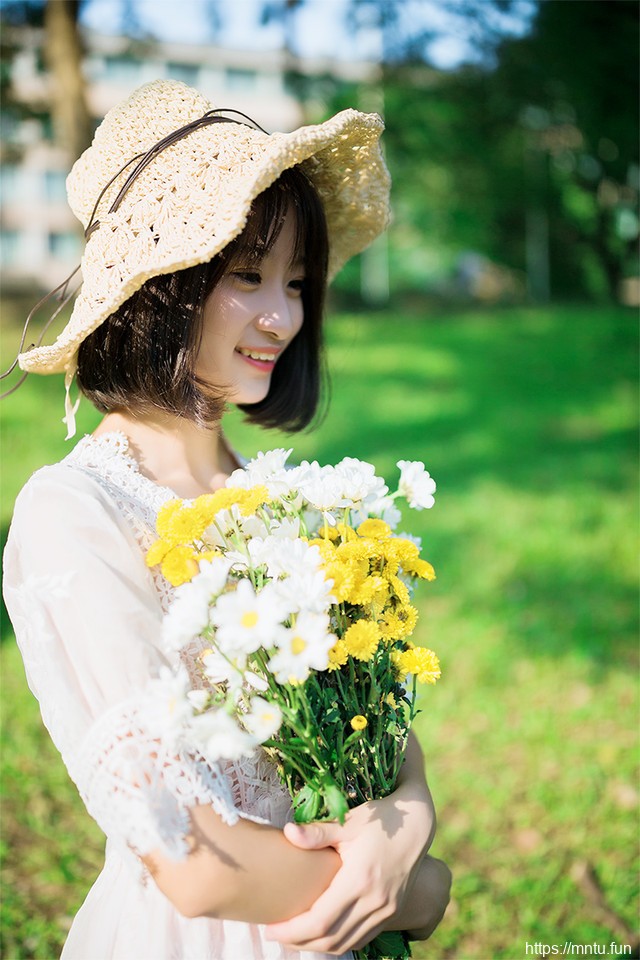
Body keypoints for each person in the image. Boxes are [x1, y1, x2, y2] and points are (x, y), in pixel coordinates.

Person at [3, 79, 451, 960]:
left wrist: (406, 824)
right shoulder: (73, 514)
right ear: (159, 286)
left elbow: (382, 730)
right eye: (246, 275)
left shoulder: (292, 499)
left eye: (295, 280)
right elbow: (192, 859)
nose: (282, 316)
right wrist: (415, 890)